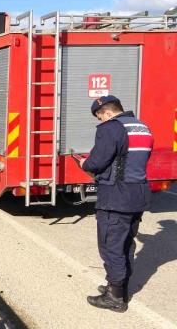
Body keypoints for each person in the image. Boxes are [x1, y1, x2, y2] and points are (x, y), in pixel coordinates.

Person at [79, 95, 153, 313]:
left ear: (108, 113)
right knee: (125, 245)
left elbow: (98, 162)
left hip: (116, 198)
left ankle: (115, 298)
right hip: (137, 195)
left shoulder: (110, 128)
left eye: (100, 117)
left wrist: (85, 163)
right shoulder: (142, 127)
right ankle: (118, 286)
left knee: (111, 247)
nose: (101, 122)